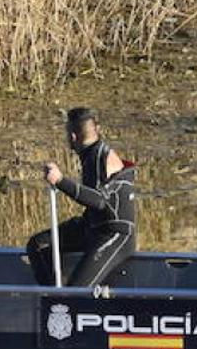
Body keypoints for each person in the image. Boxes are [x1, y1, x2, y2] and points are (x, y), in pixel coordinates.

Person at [27, 107, 139, 287]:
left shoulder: (97, 157)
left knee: (78, 290)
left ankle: (65, 301)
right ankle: (55, 296)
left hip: (114, 234)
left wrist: (60, 181)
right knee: (38, 245)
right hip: (92, 227)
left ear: (72, 136)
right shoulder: (90, 154)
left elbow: (98, 201)